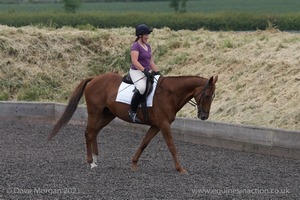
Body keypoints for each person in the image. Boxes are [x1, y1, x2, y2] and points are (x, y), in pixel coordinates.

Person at [128, 24, 160, 123]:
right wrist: (144, 71)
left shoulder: (148, 46)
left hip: (146, 72)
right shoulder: (135, 46)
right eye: (146, 35)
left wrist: (158, 72)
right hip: (136, 71)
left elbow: (150, 62)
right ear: (140, 35)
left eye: (148, 35)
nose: (147, 37)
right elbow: (135, 61)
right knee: (141, 88)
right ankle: (132, 112)